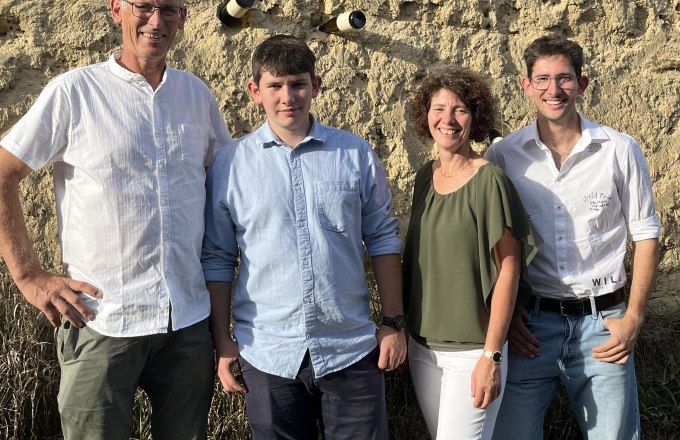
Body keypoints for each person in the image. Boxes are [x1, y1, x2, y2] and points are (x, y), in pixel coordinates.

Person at [0, 1, 231, 438]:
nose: (156, 21)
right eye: (143, 7)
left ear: (183, 18)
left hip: (186, 322)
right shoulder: (74, 92)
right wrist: (29, 276)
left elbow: (224, 187)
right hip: (102, 319)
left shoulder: (196, 95)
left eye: (170, 9)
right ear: (117, 11)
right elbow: (3, 173)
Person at [201, 34, 406, 440]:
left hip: (350, 350)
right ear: (254, 91)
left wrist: (394, 323)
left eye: (297, 83)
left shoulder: (354, 154)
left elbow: (382, 239)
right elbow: (218, 257)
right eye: (275, 86)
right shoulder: (230, 164)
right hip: (268, 353)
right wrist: (223, 341)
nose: (287, 96)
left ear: (316, 85)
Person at [486, 34, 661, 439]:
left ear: (582, 84)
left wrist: (633, 318)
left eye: (564, 78)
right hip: (531, 329)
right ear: (526, 86)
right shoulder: (504, 156)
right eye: (542, 79)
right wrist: (507, 316)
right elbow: (494, 245)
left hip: (604, 328)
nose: (554, 89)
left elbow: (646, 235)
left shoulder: (619, 150)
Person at [402, 68, 536, 440]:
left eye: (460, 110)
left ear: (475, 119)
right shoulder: (424, 179)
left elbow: (509, 269)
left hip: (472, 352)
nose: (447, 119)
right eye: (438, 108)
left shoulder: (489, 181)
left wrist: (491, 355)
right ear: (425, 115)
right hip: (423, 347)